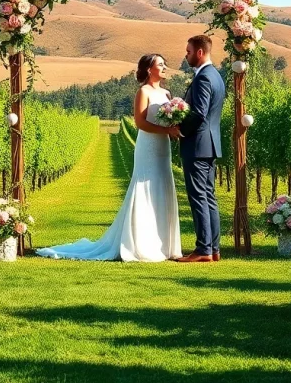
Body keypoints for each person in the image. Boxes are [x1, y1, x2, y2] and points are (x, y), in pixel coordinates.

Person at [35, 54, 182, 262]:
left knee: (163, 183)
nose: (165, 67)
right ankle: (141, 243)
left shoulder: (167, 93)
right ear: (149, 69)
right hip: (148, 145)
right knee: (145, 187)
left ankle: (164, 245)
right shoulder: (143, 91)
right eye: (160, 64)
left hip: (163, 147)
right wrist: (166, 131)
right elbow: (140, 123)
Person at [175, 35, 225, 263]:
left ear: (200, 53)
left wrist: (180, 129)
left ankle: (203, 249)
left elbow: (200, 113)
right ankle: (213, 249)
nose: (186, 56)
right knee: (208, 197)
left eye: (188, 52)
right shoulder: (216, 76)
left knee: (198, 197)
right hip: (210, 144)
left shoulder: (203, 77)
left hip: (197, 144)